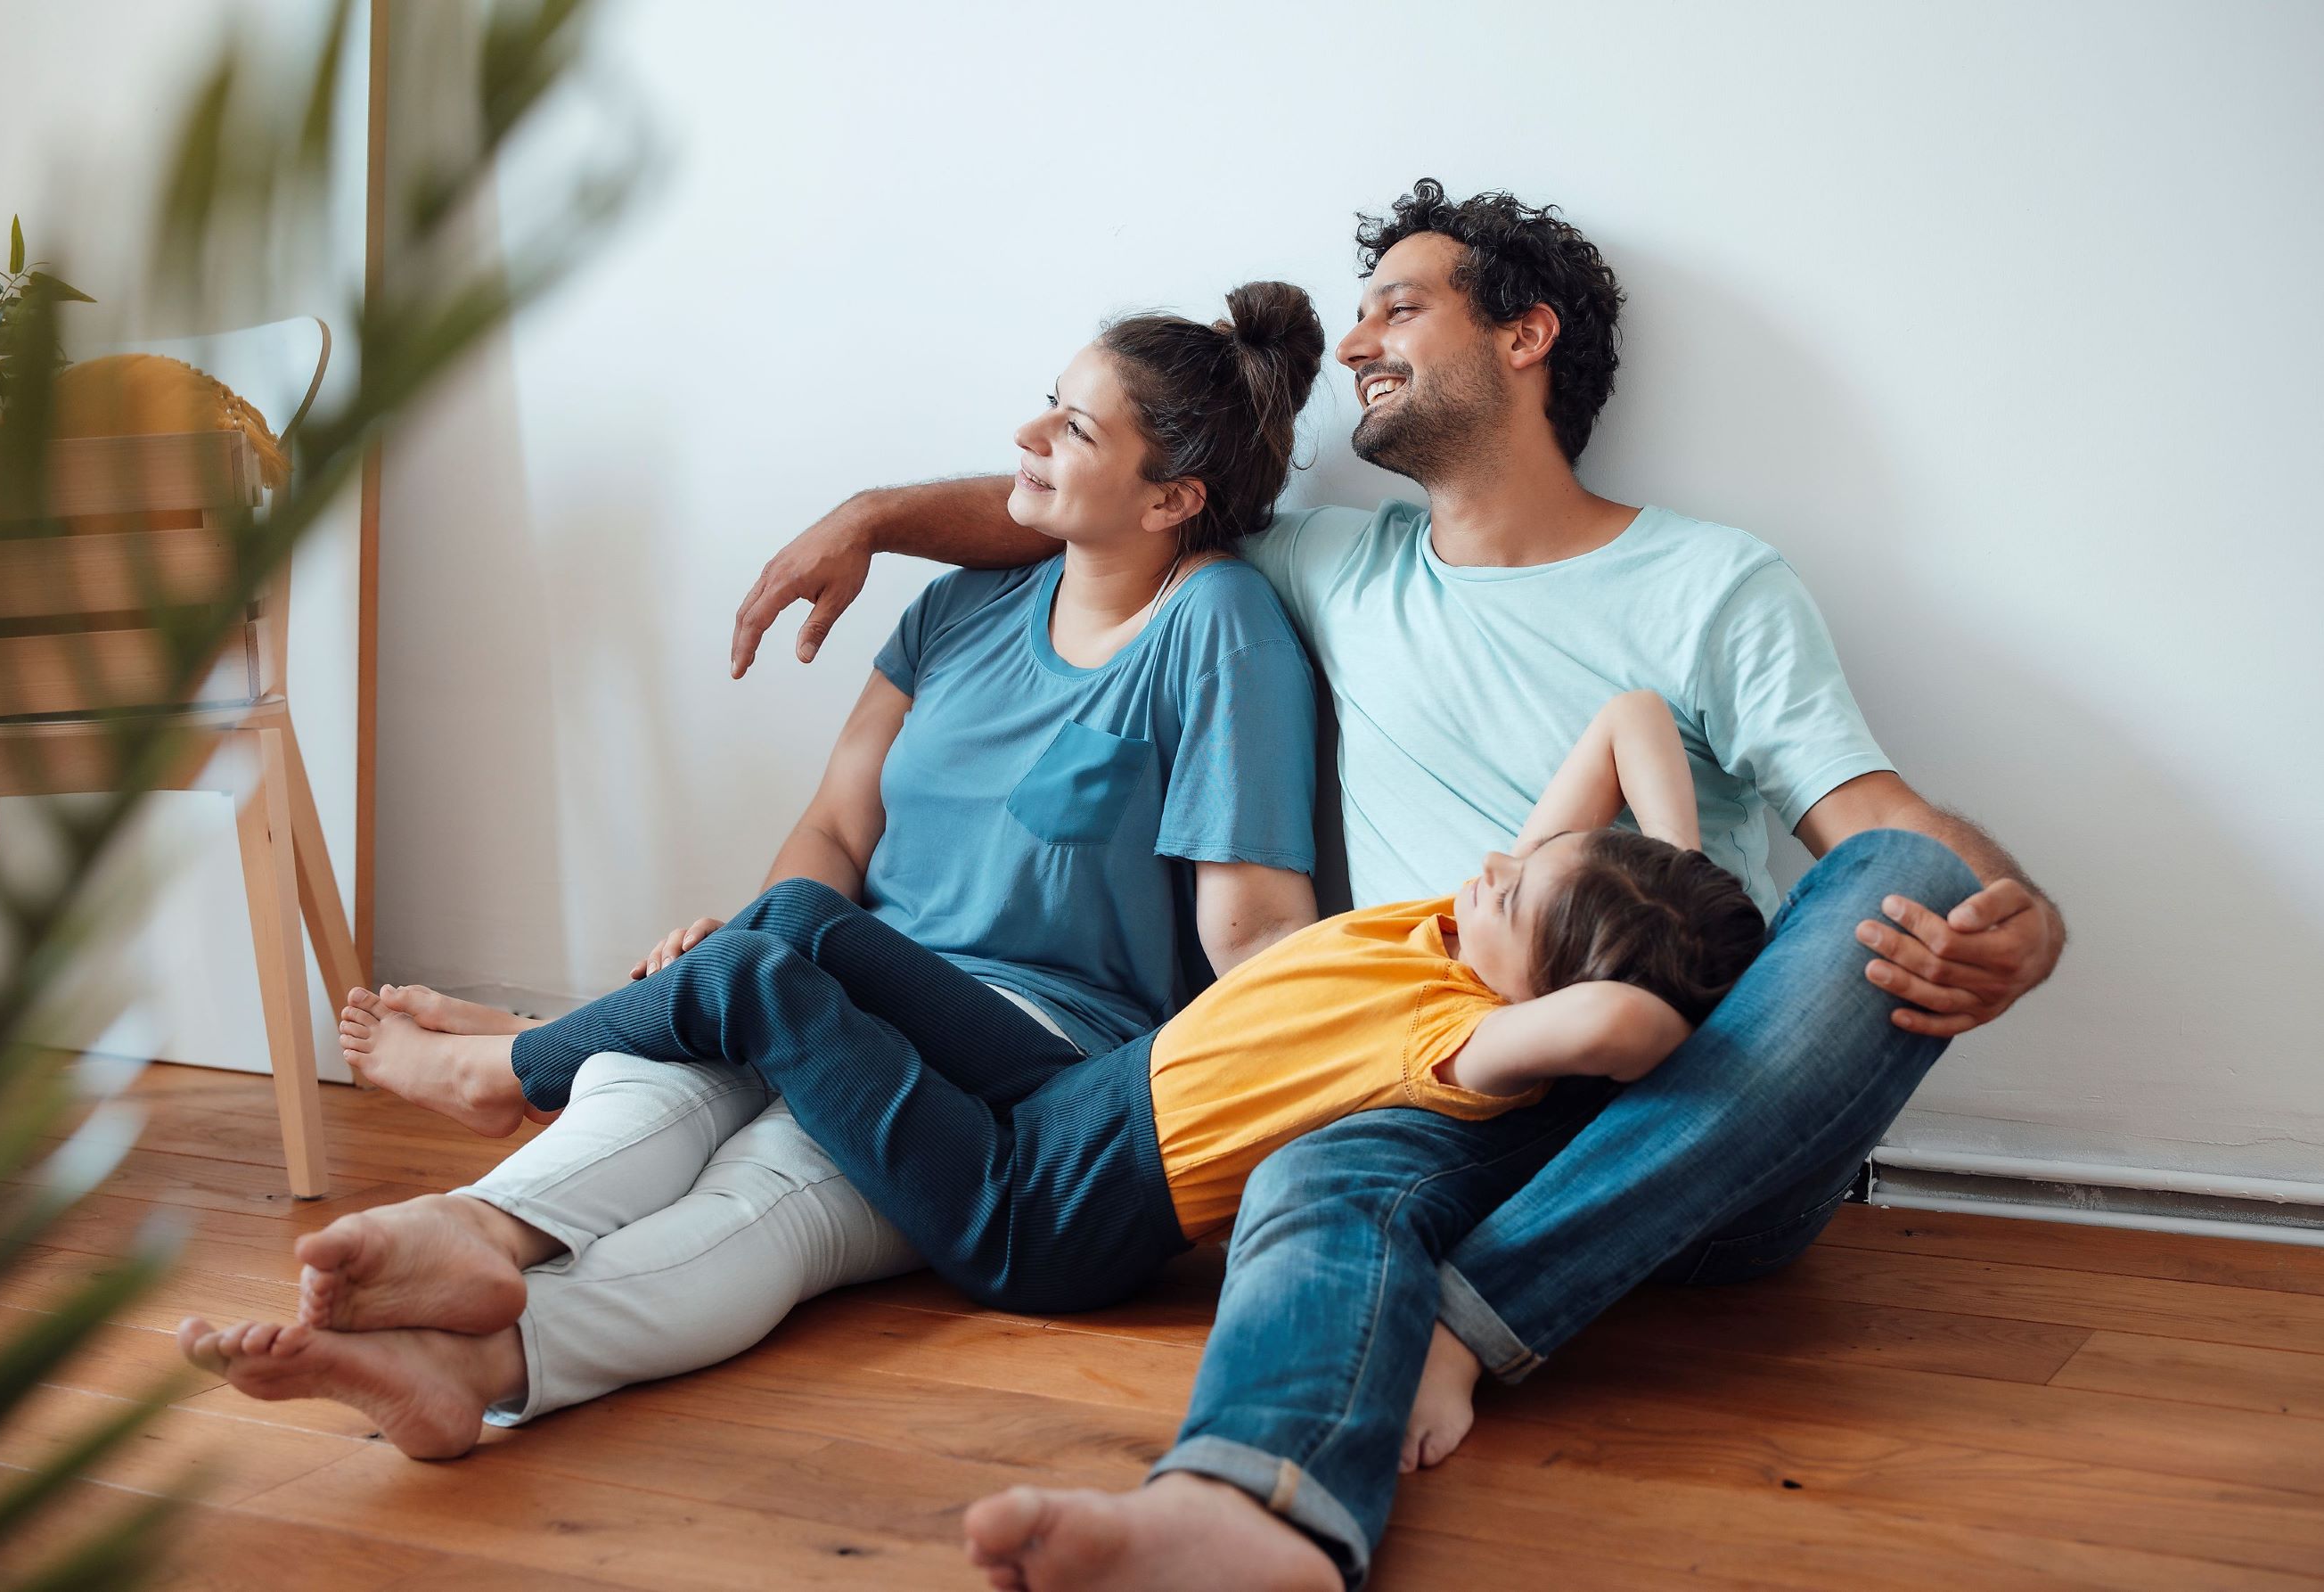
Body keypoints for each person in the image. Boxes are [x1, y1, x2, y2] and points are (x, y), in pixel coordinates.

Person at [729, 181, 2065, 1592]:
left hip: (1697, 1115)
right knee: (1317, 1161)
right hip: (1442, 1089)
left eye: (1398, 305)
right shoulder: (1328, 564)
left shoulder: (1709, 583)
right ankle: (1254, 1511)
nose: (1356, 337)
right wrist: (871, 517)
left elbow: (1875, 821)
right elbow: (1103, 503)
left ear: (1525, 335)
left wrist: (2016, 920)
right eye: (1360, 309)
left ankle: (1463, 1322)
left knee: (1901, 874)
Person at [174, 283, 1331, 1457]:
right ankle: (465, 1306)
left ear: (1173, 496)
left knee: (773, 1182)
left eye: (1074, 430)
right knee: (660, 1088)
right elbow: (832, 831)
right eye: (1045, 405)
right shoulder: (956, 612)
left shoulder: (1217, 624)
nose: (1027, 437)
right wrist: (745, 968)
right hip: (839, 975)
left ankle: (512, 1144)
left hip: (1033, 1047)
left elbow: (1250, 929)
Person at [258, 691, 1772, 1329]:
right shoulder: (1467, 930)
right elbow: (1628, 716)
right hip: (1082, 1087)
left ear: (1548, 988)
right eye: (1522, 854)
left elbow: (1624, 1034)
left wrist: (1648, 971)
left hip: (1037, 1216)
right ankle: (542, 1042)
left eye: (1519, 890)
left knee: (753, 974)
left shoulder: (1469, 1038)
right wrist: (1658, 870)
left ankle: (501, 1073)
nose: (1491, 862)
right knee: (801, 915)